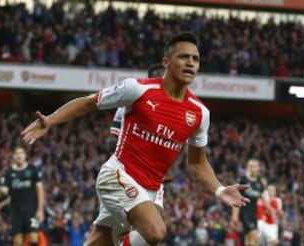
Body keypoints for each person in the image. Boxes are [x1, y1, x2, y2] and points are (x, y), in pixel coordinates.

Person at [21, 31, 250, 246]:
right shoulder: (137, 89)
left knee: (102, 239)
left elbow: (197, 163)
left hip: (151, 188)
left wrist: (220, 190)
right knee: (155, 232)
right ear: (166, 62)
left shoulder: (200, 113)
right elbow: (90, 103)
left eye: (195, 59)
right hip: (118, 175)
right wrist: (50, 120)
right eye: (183, 57)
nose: (191, 62)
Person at [107, 63, 166, 244]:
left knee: (154, 227)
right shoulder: (131, 103)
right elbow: (112, 142)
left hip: (153, 176)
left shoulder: (172, 109)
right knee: (140, 226)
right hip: (128, 172)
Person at [0, 146, 45, 246]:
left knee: (34, 238)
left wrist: (40, 209)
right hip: (16, 211)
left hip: (31, 210)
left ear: (25, 155)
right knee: (17, 241)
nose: (19, 156)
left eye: (21, 153)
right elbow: (4, 189)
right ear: (13, 156)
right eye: (17, 153)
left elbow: (40, 189)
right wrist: (0, 190)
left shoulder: (33, 170)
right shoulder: (8, 173)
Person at [231, 159, 270, 246]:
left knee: (248, 241)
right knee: (254, 235)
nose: (255, 169)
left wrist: (272, 212)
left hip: (253, 214)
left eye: (257, 166)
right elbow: (236, 198)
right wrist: (235, 216)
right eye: (253, 166)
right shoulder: (242, 180)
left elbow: (265, 200)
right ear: (249, 168)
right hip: (244, 213)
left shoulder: (259, 183)